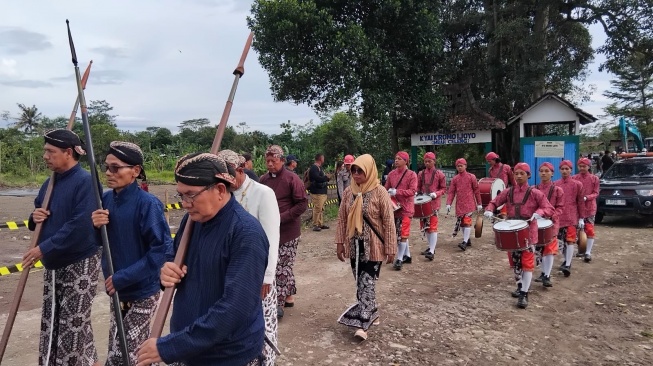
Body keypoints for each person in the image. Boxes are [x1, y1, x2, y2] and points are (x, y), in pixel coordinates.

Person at [136, 153, 269, 366]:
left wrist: (170, 347)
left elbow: (234, 308)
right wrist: (167, 270)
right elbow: (174, 256)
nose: (185, 204)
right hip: (189, 349)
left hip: (227, 356)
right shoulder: (192, 221)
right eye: (181, 195)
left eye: (191, 195)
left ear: (220, 190)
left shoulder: (245, 234)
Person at [22, 129, 101, 366]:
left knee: (72, 326)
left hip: (80, 261)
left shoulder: (86, 181)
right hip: (54, 263)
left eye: (50, 151)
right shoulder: (50, 182)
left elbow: (80, 225)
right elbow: (37, 214)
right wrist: (34, 217)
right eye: (45, 150)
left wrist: (43, 248)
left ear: (68, 153)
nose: (45, 156)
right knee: (54, 320)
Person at [90, 141, 171, 366]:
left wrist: (122, 277)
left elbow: (160, 252)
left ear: (135, 171)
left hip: (143, 291)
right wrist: (96, 227)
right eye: (106, 167)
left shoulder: (148, 205)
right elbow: (100, 244)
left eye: (116, 168)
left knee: (123, 354)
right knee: (126, 348)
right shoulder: (104, 200)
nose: (109, 173)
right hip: (117, 291)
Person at [218, 149, 281, 366]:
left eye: (229, 175)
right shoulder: (221, 193)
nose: (225, 181)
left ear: (241, 170)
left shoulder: (263, 193)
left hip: (258, 274)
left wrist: (267, 276)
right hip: (232, 274)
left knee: (263, 326)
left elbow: (272, 237)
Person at [335, 154, 397, 340]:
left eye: (359, 170)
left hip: (375, 246)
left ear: (369, 171)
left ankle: (363, 324)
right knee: (360, 282)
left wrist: (391, 247)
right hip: (355, 246)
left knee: (366, 282)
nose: (355, 174)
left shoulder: (380, 192)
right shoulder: (348, 192)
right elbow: (342, 219)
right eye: (353, 170)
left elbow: (388, 221)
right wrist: (339, 243)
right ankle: (373, 312)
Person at [484, 163, 555, 309]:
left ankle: (524, 293)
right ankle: (520, 286)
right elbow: (494, 202)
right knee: (514, 263)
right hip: (511, 231)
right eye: (516, 173)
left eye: (522, 173)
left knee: (527, 263)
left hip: (529, 232)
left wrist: (539, 213)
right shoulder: (508, 192)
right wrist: (490, 209)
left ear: (528, 175)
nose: (518, 176)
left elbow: (549, 208)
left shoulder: (535, 193)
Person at [259, 145, 309, 318]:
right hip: (269, 231)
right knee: (279, 264)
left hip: (288, 231)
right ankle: (289, 296)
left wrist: (282, 217)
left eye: (274, 161)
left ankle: (277, 303)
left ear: (282, 160)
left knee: (281, 266)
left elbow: (302, 204)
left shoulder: (292, 179)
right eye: (268, 161)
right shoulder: (264, 180)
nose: (270, 164)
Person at [384, 151, 417, 270]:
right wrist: (386, 192)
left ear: (406, 161)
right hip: (394, 208)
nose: (396, 160)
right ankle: (407, 255)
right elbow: (385, 188)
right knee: (398, 232)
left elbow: (413, 191)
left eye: (399, 158)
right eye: (395, 158)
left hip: (407, 208)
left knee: (402, 233)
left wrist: (397, 192)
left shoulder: (412, 175)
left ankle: (399, 259)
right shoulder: (391, 174)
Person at [534, 162, 564, 288]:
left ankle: (547, 275)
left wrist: (551, 217)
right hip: (537, 222)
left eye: (547, 171)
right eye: (541, 171)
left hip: (551, 223)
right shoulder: (534, 189)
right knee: (539, 249)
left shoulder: (557, 190)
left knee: (549, 249)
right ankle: (542, 272)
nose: (544, 173)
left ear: (552, 173)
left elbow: (560, 207)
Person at [555, 160, 585, 277]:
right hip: (559, 216)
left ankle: (568, 264)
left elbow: (580, 202)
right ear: (559, 170)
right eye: (562, 169)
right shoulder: (555, 184)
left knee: (570, 240)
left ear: (571, 170)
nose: (564, 171)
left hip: (572, 216)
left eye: (567, 169)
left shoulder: (577, 185)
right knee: (560, 241)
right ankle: (566, 259)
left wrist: (581, 217)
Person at [446, 158, 482, 251]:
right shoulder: (455, 179)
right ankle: (467, 239)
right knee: (461, 224)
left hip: (469, 203)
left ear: (465, 166)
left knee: (466, 222)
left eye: (461, 166)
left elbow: (476, 190)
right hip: (459, 204)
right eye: (458, 166)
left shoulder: (471, 177)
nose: (460, 168)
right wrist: (448, 203)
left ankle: (465, 242)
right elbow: (451, 192)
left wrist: (479, 203)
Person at [416, 152, 447, 261]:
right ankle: (430, 247)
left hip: (434, 204)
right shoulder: (420, 174)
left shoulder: (440, 174)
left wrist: (436, 194)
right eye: (426, 161)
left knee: (432, 227)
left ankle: (432, 251)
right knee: (425, 227)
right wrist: (417, 193)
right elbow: (418, 187)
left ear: (434, 161)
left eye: (429, 161)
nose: (427, 163)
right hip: (422, 204)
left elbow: (443, 189)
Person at [573, 157, 600, 262]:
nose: (582, 168)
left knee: (589, 229)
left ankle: (588, 252)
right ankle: (580, 249)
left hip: (589, 208)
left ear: (589, 167)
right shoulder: (574, 178)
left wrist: (586, 197)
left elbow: (596, 193)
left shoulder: (594, 179)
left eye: (584, 166)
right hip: (576, 208)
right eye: (580, 166)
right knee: (576, 230)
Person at [308, 153, 331, 231]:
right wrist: (325, 177)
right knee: (318, 208)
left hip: (322, 191)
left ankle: (320, 223)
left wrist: (326, 178)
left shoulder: (319, 167)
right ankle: (315, 224)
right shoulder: (314, 168)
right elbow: (317, 178)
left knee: (321, 208)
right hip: (317, 192)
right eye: (323, 157)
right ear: (320, 158)